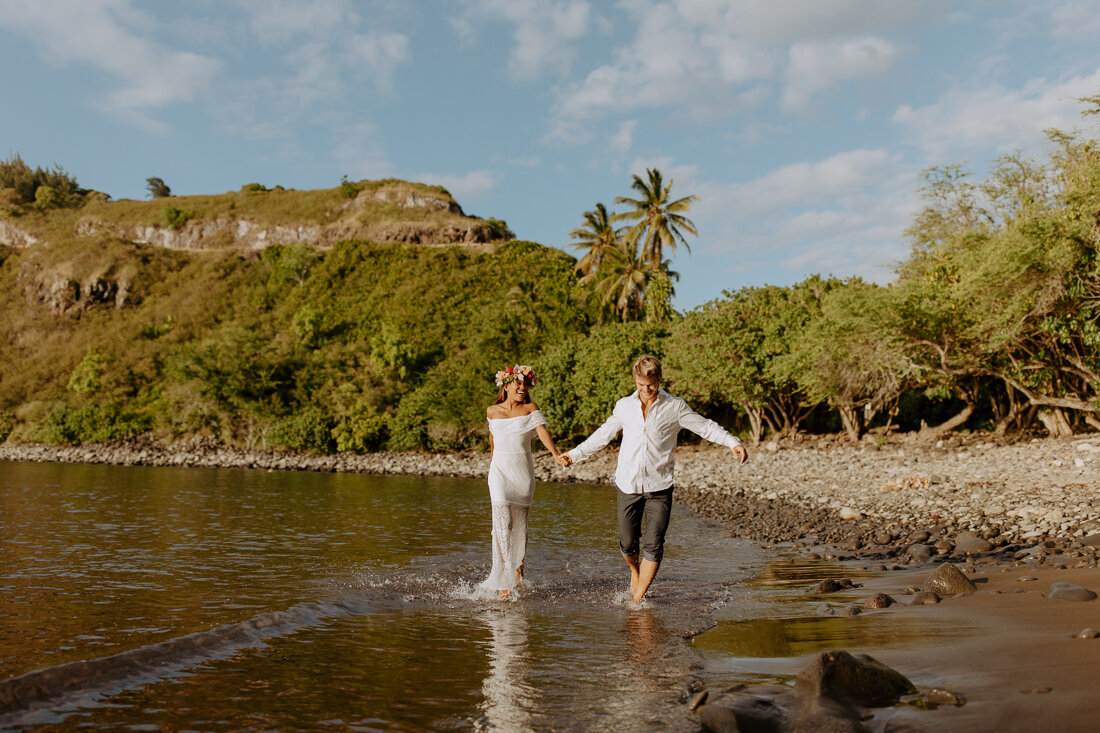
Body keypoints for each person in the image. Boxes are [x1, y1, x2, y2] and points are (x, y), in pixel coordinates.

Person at [557, 355, 747, 602]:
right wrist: (573, 455)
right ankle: (634, 571)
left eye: (651, 385)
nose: (646, 390)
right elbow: (603, 435)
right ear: (635, 381)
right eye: (640, 385)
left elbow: (706, 427)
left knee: (654, 544)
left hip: (660, 485)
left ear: (659, 379)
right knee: (627, 544)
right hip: (628, 483)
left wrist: (733, 443)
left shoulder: (675, 407)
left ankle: (637, 600)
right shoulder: (624, 406)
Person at [482, 364, 564, 599]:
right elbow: (493, 440)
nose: (522, 387)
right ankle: (505, 580)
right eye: (518, 383)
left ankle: (517, 572)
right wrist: (492, 465)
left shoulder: (530, 409)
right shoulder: (492, 411)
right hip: (498, 472)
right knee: (501, 523)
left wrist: (556, 454)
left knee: (519, 528)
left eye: (526, 384)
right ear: (506, 385)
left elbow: (542, 433)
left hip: (522, 474)